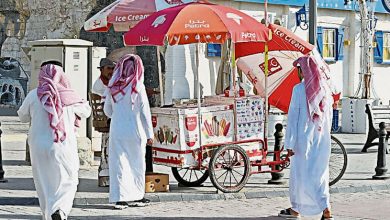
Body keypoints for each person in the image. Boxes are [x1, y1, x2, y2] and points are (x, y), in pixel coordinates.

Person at [17, 61, 91, 220]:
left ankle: (48, 214)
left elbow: (22, 116)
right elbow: (86, 111)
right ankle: (60, 210)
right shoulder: (69, 97)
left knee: (43, 182)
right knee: (69, 179)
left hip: (38, 146)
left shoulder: (34, 94)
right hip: (62, 145)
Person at [279, 54, 335, 220]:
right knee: (320, 174)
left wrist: (289, 144)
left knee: (299, 174)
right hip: (321, 139)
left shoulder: (298, 90)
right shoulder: (326, 91)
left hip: (302, 140)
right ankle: (326, 209)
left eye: (300, 70)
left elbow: (293, 118)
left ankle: (296, 209)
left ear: (304, 71)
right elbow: (329, 119)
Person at [103, 54, 154, 210]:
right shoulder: (138, 86)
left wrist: (119, 116)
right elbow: (145, 113)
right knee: (137, 164)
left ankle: (120, 198)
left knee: (119, 164)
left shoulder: (113, 85)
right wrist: (150, 134)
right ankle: (137, 196)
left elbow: (107, 110)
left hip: (117, 129)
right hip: (135, 130)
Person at [92, 58, 115, 187]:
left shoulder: (109, 83)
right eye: (108, 69)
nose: (111, 71)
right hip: (105, 118)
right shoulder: (100, 85)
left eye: (112, 69)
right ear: (102, 70)